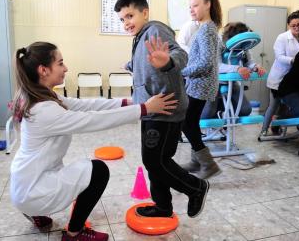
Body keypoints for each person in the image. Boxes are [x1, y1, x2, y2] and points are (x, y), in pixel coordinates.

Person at [9, 42, 178, 241]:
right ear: (43, 70)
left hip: (22, 182)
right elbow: (92, 120)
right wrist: (144, 109)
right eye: (60, 63)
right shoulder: (44, 110)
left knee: (70, 172)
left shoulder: (40, 96)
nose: (66, 68)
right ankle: (74, 233)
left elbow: (85, 104)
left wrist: (130, 101)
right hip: (32, 190)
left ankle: (35, 213)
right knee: (98, 171)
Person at [114, 0, 209, 219]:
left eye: (129, 16)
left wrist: (168, 61)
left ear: (144, 12)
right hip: (151, 109)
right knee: (155, 161)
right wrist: (131, 65)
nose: (126, 23)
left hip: (165, 108)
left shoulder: (155, 29)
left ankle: (196, 188)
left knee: (155, 161)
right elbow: (148, 62)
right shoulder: (140, 36)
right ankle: (163, 207)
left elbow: (180, 54)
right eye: (122, 19)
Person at [180, 0, 222, 179]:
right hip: (200, 83)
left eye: (195, 5)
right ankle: (197, 161)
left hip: (200, 84)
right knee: (192, 122)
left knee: (187, 124)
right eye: (190, 6)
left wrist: (183, 72)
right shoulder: (207, 27)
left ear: (208, 4)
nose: (192, 10)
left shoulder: (206, 29)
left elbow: (205, 63)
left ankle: (208, 164)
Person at [201, 22, 266, 119]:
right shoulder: (217, 42)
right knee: (206, 115)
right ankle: (219, 113)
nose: (242, 46)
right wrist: (237, 68)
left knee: (245, 110)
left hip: (231, 82)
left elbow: (249, 63)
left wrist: (256, 67)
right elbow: (216, 66)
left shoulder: (243, 44)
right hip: (212, 82)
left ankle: (223, 114)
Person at [261, 10, 299, 136]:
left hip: (293, 80)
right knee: (273, 106)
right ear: (288, 25)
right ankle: (264, 130)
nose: (297, 27)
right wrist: (293, 60)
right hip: (279, 78)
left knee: (287, 106)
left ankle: (278, 126)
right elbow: (279, 56)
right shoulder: (282, 38)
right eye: (294, 25)